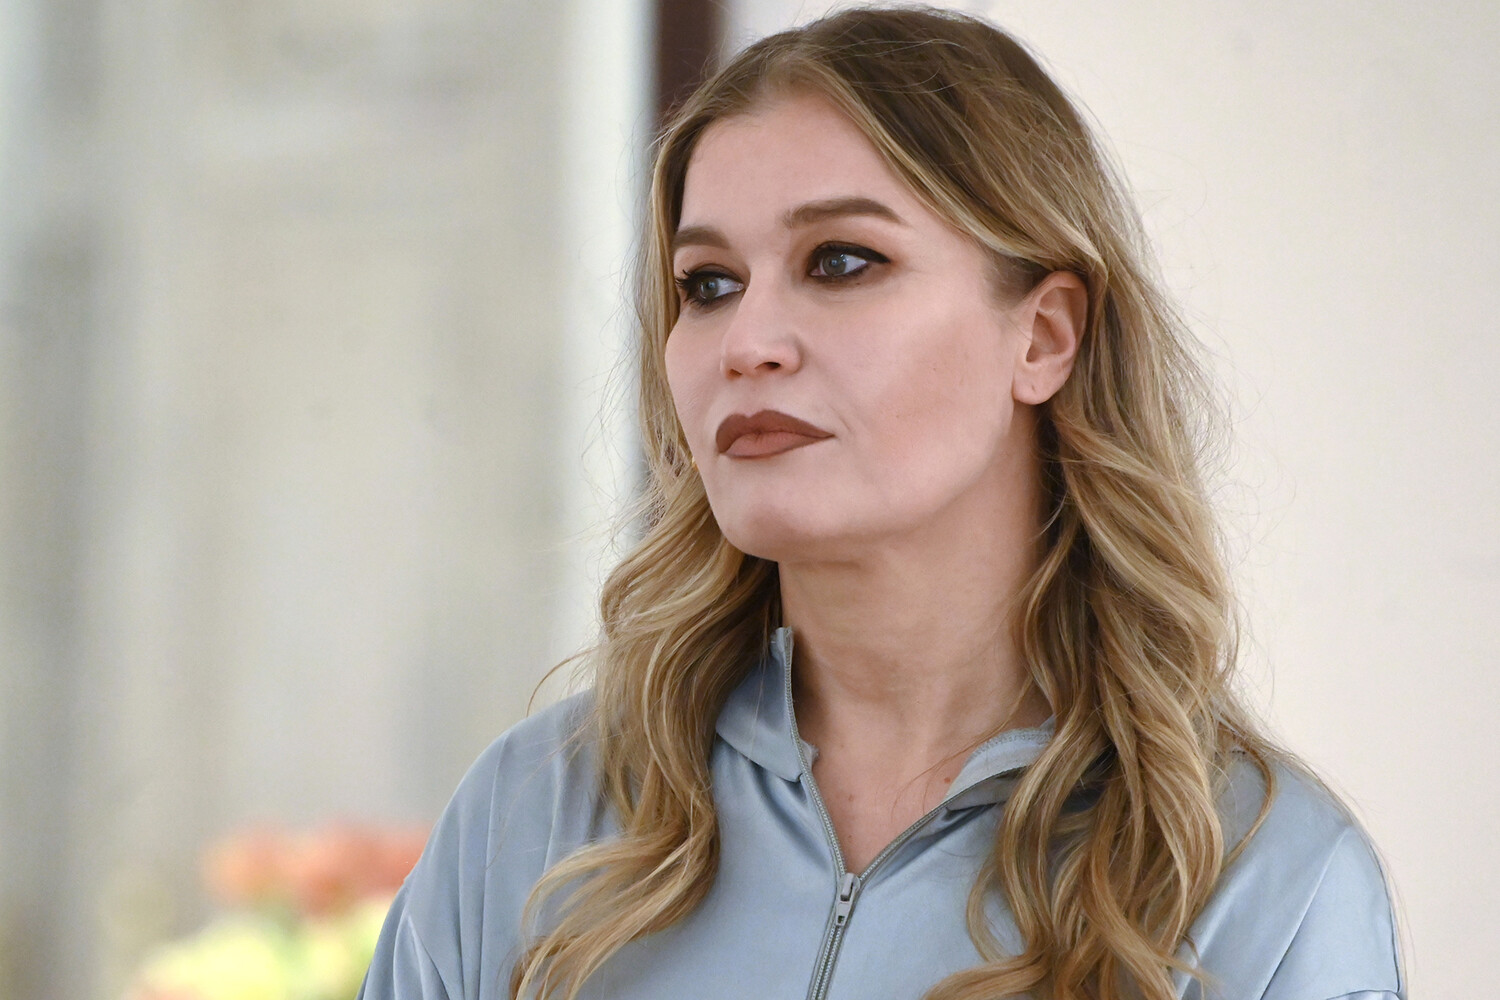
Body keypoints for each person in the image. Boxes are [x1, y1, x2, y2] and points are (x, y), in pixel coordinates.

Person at [358, 7, 1404, 1000]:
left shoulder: (1264, 880)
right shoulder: (534, 816)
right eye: (708, 283)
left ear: (1044, 337)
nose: (748, 342)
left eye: (842, 262)